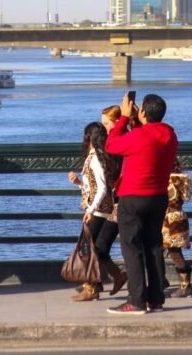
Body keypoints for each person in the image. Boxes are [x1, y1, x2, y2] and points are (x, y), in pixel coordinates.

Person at [104, 93, 178, 315]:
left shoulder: (138, 136)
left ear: (144, 112)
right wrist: (138, 119)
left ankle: (135, 300)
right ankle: (155, 298)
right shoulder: (170, 135)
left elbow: (112, 145)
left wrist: (124, 118)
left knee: (132, 247)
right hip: (158, 196)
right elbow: (146, 137)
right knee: (154, 246)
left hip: (133, 197)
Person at [67, 121, 126, 301]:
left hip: (99, 209)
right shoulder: (104, 156)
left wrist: (90, 210)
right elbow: (98, 185)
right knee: (96, 248)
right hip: (105, 208)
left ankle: (91, 288)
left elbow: (100, 188)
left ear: (88, 138)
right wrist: (79, 183)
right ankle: (115, 276)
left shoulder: (94, 159)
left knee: (87, 249)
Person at [163, 160, 192, 298]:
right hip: (179, 217)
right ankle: (184, 285)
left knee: (173, 252)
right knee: (175, 251)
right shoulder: (181, 179)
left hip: (168, 219)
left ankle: (185, 286)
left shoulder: (167, 180)